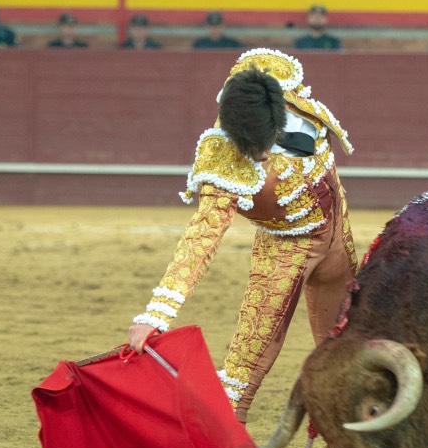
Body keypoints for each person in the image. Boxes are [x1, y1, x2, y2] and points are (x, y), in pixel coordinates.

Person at [127, 48, 358, 424]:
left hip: (339, 238)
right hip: (284, 250)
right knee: (238, 379)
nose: (263, 153)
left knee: (350, 352)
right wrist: (156, 314)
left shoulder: (280, 87)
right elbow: (201, 237)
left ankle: (361, 438)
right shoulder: (222, 163)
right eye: (253, 148)